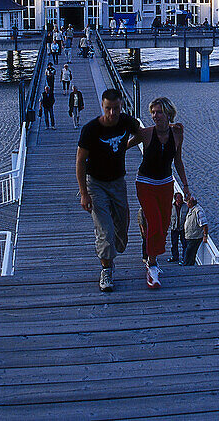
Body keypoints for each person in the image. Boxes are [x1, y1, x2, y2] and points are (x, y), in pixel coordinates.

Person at [77, 89, 140, 292]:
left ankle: (115, 246)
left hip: (118, 182)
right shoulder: (91, 129)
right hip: (95, 184)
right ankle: (106, 270)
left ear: (121, 107)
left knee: (121, 228)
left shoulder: (127, 122)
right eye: (108, 109)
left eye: (116, 109)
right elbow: (79, 162)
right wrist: (84, 193)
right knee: (105, 231)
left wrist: (125, 147)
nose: (112, 113)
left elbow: (141, 134)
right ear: (102, 107)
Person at [124, 97, 190, 289]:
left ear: (168, 113)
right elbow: (123, 147)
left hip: (166, 184)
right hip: (145, 183)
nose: (155, 116)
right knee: (153, 221)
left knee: (164, 224)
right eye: (153, 112)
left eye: (159, 112)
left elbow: (178, 161)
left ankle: (152, 258)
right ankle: (151, 264)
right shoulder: (145, 134)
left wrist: (185, 186)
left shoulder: (177, 133)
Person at [183, 196, 208, 266]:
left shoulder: (198, 211)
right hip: (189, 236)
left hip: (195, 237)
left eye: (187, 202)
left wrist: (205, 236)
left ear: (191, 203)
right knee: (188, 253)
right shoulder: (192, 209)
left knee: (189, 254)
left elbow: (204, 224)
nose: (186, 204)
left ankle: (187, 268)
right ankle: (187, 265)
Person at [167, 192, 186, 264]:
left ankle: (184, 258)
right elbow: (168, 216)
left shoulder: (186, 206)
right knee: (174, 243)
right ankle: (175, 257)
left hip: (183, 229)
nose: (180, 199)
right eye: (178, 198)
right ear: (175, 199)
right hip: (174, 228)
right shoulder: (171, 207)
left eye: (181, 197)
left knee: (184, 244)